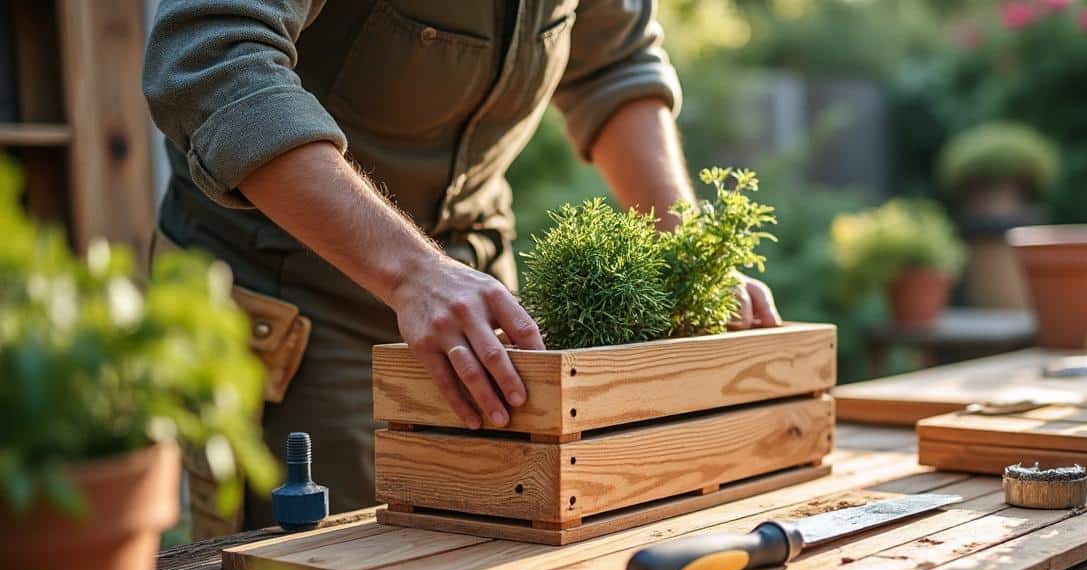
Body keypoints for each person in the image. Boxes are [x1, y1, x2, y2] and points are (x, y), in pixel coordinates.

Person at [141, 1, 780, 529]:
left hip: (470, 293)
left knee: (491, 548)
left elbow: (616, 62)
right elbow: (211, 56)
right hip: (285, 290)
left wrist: (691, 255)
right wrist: (410, 272)